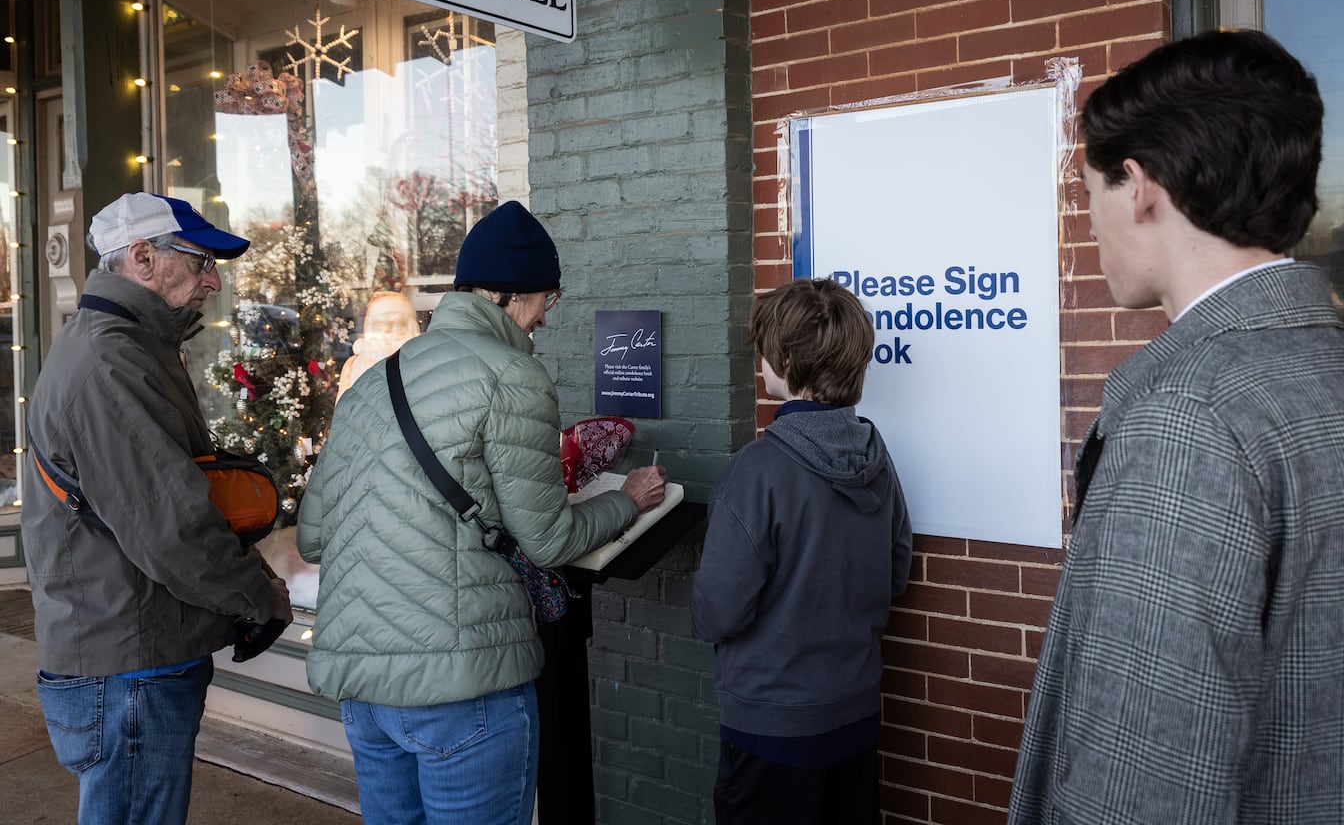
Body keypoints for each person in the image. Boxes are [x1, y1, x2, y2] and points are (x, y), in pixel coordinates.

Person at [1009, 29, 1344, 824]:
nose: (1088, 220)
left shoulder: (1191, 417)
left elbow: (1142, 779)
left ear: (1138, 186)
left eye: (1088, 193)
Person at [297, 199, 667, 825]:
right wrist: (626, 501)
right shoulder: (512, 376)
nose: (545, 319)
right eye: (548, 299)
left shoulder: (369, 385)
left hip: (362, 691)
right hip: (463, 685)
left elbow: (312, 537)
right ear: (507, 296)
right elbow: (549, 540)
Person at [23, 191, 293, 825]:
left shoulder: (125, 345)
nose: (213, 280)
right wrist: (257, 596)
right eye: (200, 261)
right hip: (130, 667)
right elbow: (170, 527)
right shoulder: (110, 358)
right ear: (143, 258)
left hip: (125, 654)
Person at [693, 277, 913, 825]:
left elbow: (718, 610)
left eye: (765, 350)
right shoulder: (876, 459)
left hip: (772, 728)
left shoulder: (759, 469)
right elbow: (896, 573)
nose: (760, 361)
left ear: (786, 359)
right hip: (856, 713)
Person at [335, 289, 420, 401]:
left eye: (397, 326)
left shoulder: (423, 368)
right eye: (378, 327)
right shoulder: (352, 366)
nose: (386, 336)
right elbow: (342, 412)